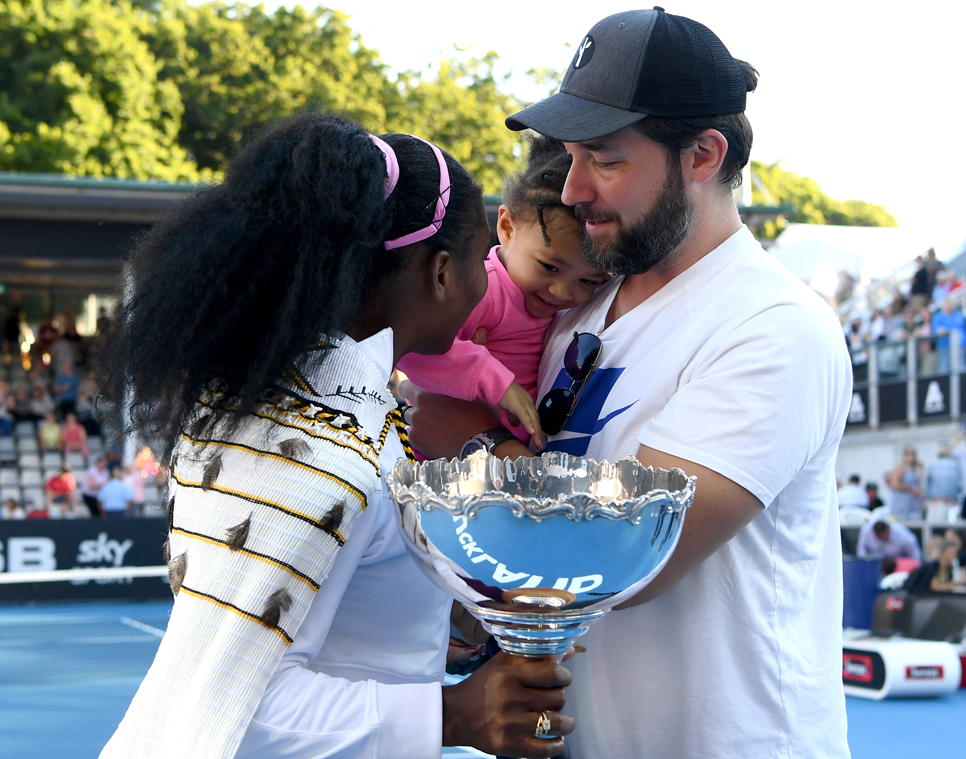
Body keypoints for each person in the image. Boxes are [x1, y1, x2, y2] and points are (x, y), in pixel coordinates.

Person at [407, 11, 851, 758]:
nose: (574, 189)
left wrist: (466, 443)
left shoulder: (773, 325)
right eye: (572, 157)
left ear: (703, 155)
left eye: (606, 160)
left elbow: (627, 551)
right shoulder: (577, 303)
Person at [99, 114, 572, 759]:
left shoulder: (288, 402)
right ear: (438, 274)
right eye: (473, 263)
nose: (483, 284)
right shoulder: (326, 450)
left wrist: (443, 617)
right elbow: (239, 704)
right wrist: (455, 715)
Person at [399, 136, 608, 448]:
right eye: (549, 267)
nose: (563, 291)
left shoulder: (559, 309)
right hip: (444, 457)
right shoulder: (484, 289)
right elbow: (410, 347)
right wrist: (494, 380)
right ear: (508, 228)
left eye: (589, 281)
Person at [931, 297, 966, 373]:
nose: (948, 308)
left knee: (960, 366)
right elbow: (936, 329)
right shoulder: (937, 316)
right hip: (944, 346)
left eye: (950, 305)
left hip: (959, 346)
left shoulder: (958, 315)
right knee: (944, 367)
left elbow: (961, 329)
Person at [887, 445, 924, 520]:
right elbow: (894, 484)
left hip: (913, 503)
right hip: (902, 502)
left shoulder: (915, 469)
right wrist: (910, 489)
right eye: (908, 454)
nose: (911, 456)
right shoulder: (900, 467)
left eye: (912, 454)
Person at [856, 520, 922, 561]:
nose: (882, 538)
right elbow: (861, 551)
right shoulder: (866, 531)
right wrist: (866, 559)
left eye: (884, 535)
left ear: (888, 529)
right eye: (880, 537)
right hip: (875, 562)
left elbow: (915, 555)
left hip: (897, 562)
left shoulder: (903, 535)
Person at [925, 443, 961, 517]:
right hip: (951, 503)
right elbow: (960, 487)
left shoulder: (932, 466)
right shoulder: (956, 466)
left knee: (934, 527)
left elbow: (927, 487)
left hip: (935, 504)